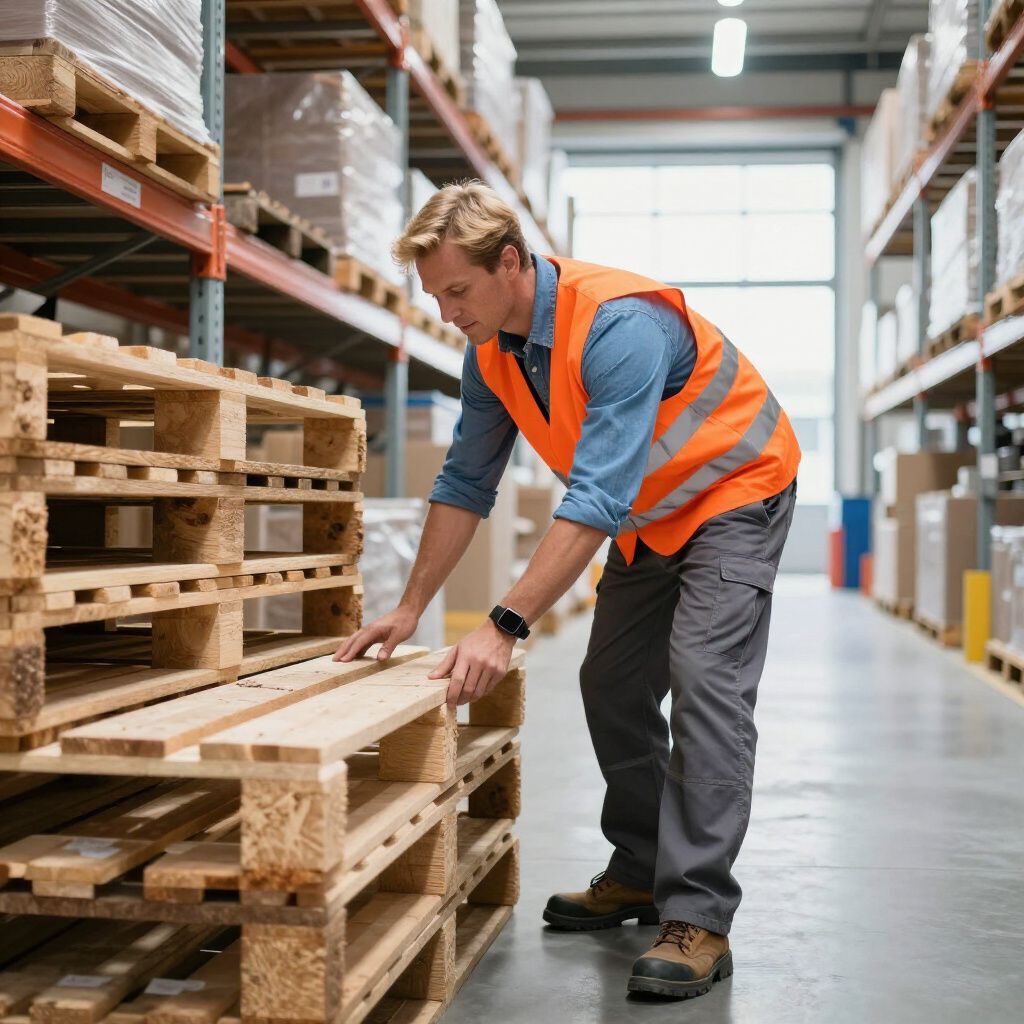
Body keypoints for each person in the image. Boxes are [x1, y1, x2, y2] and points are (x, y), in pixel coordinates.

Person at [334, 180, 800, 1001]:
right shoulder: (492, 352)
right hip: (653, 514)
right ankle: (643, 867)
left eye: (457, 290)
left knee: (705, 683)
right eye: (434, 295)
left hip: (734, 494)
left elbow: (596, 496)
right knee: (611, 681)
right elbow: (465, 480)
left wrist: (504, 623)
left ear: (511, 262)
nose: (446, 312)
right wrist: (410, 608)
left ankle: (698, 916)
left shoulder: (619, 326)